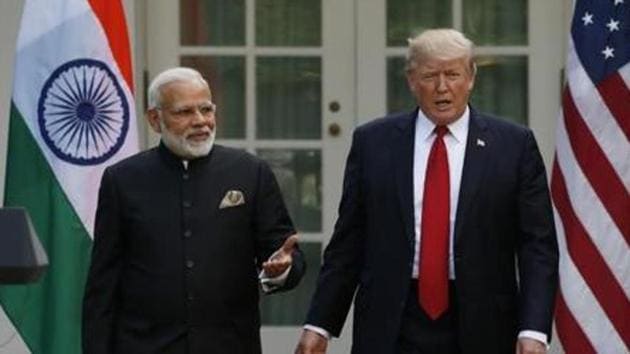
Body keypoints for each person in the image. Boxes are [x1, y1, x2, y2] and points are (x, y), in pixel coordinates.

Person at [296, 29, 558, 354]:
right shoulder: (374, 143)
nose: (442, 87)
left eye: (452, 74)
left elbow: (537, 246)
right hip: (392, 321)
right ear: (411, 80)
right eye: (430, 75)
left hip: (484, 323)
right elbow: (348, 242)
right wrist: (320, 324)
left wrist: (534, 329)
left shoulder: (514, 146)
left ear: (471, 78)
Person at [82, 67, 305, 354]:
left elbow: (286, 255)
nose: (200, 121)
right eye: (184, 112)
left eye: (206, 109)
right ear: (154, 119)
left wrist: (282, 269)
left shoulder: (251, 172)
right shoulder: (122, 180)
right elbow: (103, 284)